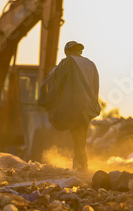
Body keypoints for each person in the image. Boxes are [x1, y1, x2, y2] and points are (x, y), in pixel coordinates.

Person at [43, 41, 100, 171]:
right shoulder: (91, 64)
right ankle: (80, 164)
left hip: (74, 105)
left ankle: (81, 166)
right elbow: (95, 85)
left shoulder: (67, 62)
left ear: (68, 52)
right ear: (80, 51)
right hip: (88, 105)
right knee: (81, 135)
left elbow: (57, 84)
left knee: (77, 136)